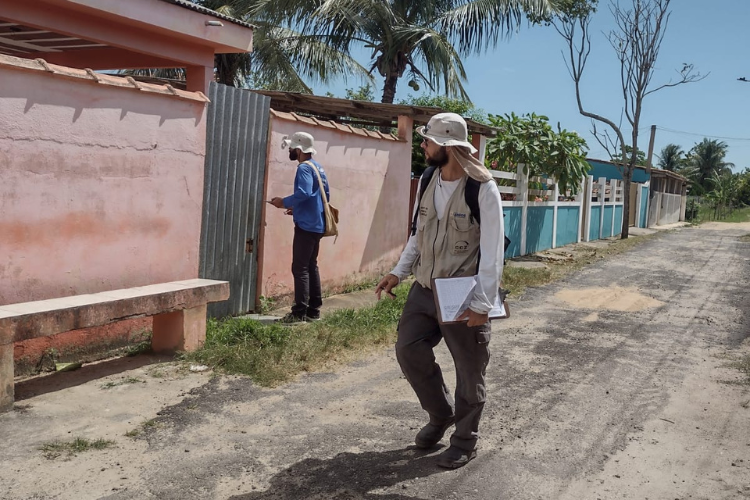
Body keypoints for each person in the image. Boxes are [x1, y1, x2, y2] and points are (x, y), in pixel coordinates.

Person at [375, 113, 505, 469]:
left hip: (464, 294)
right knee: (408, 349)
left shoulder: (483, 187)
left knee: (469, 368)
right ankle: (440, 414)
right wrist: (397, 272)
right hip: (423, 288)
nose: (423, 146)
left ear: (447, 146)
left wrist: (483, 302)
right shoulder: (429, 178)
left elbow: (493, 252)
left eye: (428, 141)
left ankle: (465, 440)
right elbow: (418, 232)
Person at [270, 131, 330, 323]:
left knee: (300, 268)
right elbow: (323, 196)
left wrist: (284, 202)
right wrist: (297, 208)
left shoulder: (303, 168)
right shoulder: (318, 167)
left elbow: (304, 192)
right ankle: (314, 311)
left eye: (291, 147)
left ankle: (299, 313)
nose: (289, 150)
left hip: (307, 226)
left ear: (298, 149)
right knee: (311, 266)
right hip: (318, 224)